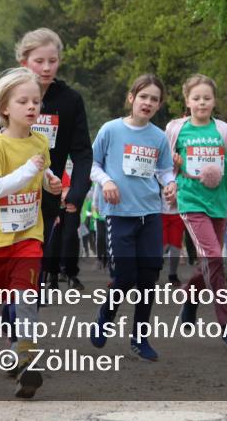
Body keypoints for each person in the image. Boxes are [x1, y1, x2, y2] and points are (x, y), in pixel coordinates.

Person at [0, 28, 92, 292]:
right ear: (23, 62)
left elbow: (82, 151)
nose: (46, 68)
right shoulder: (8, 95)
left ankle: (20, 330)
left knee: (30, 273)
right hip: (1, 200)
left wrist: (76, 192)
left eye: (53, 60)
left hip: (40, 200)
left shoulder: (70, 100)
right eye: (39, 61)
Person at [0, 67, 62, 399]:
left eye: (36, 101)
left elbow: (43, 171)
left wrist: (51, 183)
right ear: (4, 108)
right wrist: (28, 172)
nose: (31, 106)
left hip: (28, 235)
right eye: (22, 101)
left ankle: (26, 360)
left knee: (26, 297)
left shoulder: (39, 141)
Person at [88, 74, 176, 361]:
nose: (148, 103)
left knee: (149, 280)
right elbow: (91, 163)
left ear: (159, 104)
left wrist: (171, 183)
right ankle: (106, 314)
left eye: (154, 99)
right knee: (125, 277)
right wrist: (106, 182)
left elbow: (164, 170)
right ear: (131, 98)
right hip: (119, 214)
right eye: (143, 97)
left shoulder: (158, 136)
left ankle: (140, 337)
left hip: (150, 213)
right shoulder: (111, 130)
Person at [165, 74, 227, 351]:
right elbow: (164, 166)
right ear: (187, 100)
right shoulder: (176, 129)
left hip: (218, 203)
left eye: (207, 98)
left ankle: (189, 297)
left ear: (214, 101)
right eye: (196, 98)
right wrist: (173, 169)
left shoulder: (222, 130)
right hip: (190, 202)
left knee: (210, 262)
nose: (202, 103)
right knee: (213, 257)